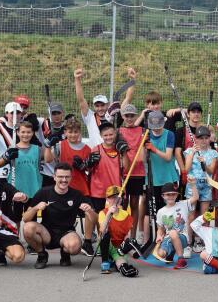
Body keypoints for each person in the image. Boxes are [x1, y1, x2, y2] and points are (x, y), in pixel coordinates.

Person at [22, 163, 97, 269]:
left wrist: (89, 211)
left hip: (66, 233)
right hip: (46, 233)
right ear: (54, 177)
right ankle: (42, 254)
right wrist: (36, 208)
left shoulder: (76, 195)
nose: (64, 180)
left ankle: (65, 253)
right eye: (60, 177)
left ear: (71, 178)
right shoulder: (44, 192)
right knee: (28, 228)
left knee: (75, 247)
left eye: (67, 177)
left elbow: (94, 219)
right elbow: (25, 219)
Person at [83, 122, 125, 255]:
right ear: (101, 136)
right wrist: (89, 162)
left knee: (111, 218)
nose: (108, 137)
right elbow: (88, 168)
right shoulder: (96, 149)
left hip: (114, 191)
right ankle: (88, 241)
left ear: (115, 134)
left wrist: (125, 152)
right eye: (105, 135)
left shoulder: (119, 149)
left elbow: (127, 168)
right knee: (96, 216)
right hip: (98, 189)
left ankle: (105, 243)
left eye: (111, 134)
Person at [118, 104, 148, 241]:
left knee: (134, 203)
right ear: (123, 116)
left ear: (135, 116)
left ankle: (133, 236)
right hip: (123, 173)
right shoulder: (119, 131)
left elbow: (142, 157)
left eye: (132, 115)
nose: (129, 118)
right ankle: (122, 235)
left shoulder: (142, 130)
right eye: (126, 115)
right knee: (123, 204)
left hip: (138, 173)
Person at [0, 121, 49, 199]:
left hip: (34, 189)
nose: (25, 135)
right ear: (17, 133)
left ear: (33, 133)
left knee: (32, 210)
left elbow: (49, 159)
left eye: (28, 132)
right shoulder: (12, 149)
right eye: (23, 132)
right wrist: (6, 156)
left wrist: (49, 146)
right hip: (16, 190)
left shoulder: (37, 149)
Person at [184, 125, 218, 238]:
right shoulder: (189, 151)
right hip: (192, 184)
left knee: (204, 215)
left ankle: (201, 240)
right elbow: (187, 168)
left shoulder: (213, 153)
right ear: (196, 138)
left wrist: (204, 163)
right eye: (200, 138)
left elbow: (211, 170)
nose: (203, 140)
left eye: (206, 138)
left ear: (209, 138)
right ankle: (189, 241)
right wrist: (192, 153)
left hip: (206, 185)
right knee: (191, 214)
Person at [97, 186, 139, 278]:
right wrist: (108, 214)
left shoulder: (126, 215)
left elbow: (126, 235)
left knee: (121, 261)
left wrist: (128, 247)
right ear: (107, 199)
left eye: (118, 197)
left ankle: (122, 266)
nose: (116, 200)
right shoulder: (102, 213)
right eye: (113, 197)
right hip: (107, 244)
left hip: (119, 246)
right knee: (105, 234)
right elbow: (102, 230)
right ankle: (105, 263)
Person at [154, 182, 198, 268]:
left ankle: (181, 259)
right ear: (163, 196)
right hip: (168, 238)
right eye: (168, 194)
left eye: (173, 194)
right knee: (161, 254)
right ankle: (171, 252)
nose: (171, 196)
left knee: (173, 233)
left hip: (183, 237)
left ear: (177, 195)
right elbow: (160, 228)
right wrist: (159, 236)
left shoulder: (183, 204)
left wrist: (192, 184)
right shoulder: (160, 212)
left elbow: (196, 197)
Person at [145, 111, 179, 210]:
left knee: (171, 209)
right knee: (151, 211)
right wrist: (143, 146)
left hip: (168, 178)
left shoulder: (169, 134)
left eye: (158, 126)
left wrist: (154, 149)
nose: (156, 128)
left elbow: (168, 157)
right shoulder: (146, 135)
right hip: (152, 179)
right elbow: (142, 159)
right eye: (153, 126)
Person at [51, 118, 92, 196]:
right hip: (63, 186)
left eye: (76, 132)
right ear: (65, 133)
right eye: (70, 132)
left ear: (80, 132)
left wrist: (84, 166)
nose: (73, 135)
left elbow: (90, 171)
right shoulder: (60, 145)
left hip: (81, 187)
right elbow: (48, 160)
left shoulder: (87, 149)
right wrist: (48, 146)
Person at [0, 102, 23, 182]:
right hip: (2, 172)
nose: (15, 115)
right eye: (12, 113)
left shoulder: (24, 129)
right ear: (6, 114)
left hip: (20, 171)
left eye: (18, 112)